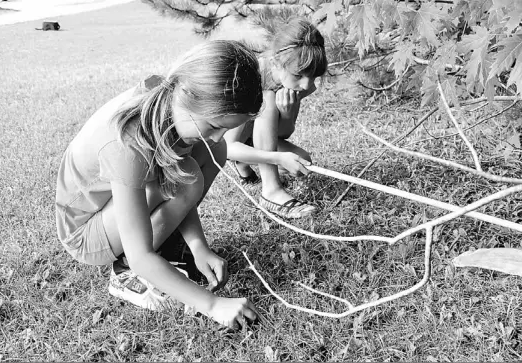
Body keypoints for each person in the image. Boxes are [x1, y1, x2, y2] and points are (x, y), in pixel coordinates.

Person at [55, 40, 263, 329]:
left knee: (214, 152)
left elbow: (176, 173)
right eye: (215, 125)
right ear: (189, 97)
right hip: (87, 234)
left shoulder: (172, 103)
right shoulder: (127, 142)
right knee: (188, 179)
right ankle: (126, 274)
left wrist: (198, 246)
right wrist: (212, 304)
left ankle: (168, 244)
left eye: (226, 128)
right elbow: (142, 252)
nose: (218, 135)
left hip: (118, 208)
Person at [224, 17, 328, 219]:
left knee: (303, 162)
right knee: (267, 98)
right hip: (224, 139)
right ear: (275, 63)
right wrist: (277, 157)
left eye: (313, 76)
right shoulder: (250, 75)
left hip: (252, 137)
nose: (307, 85)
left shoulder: (302, 85)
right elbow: (226, 145)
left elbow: (282, 133)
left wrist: (287, 112)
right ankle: (270, 191)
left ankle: (244, 164)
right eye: (299, 75)